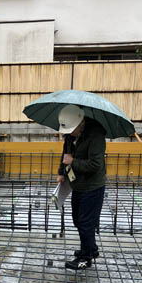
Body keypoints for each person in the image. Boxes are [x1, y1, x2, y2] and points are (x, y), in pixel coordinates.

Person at [56, 104, 106, 271]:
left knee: (86, 223)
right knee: (78, 220)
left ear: (80, 123)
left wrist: (73, 162)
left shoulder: (96, 135)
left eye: (71, 130)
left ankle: (85, 259)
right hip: (77, 184)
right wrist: (62, 172)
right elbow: (65, 155)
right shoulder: (70, 136)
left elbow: (96, 165)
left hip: (92, 186)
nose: (69, 134)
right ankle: (91, 248)